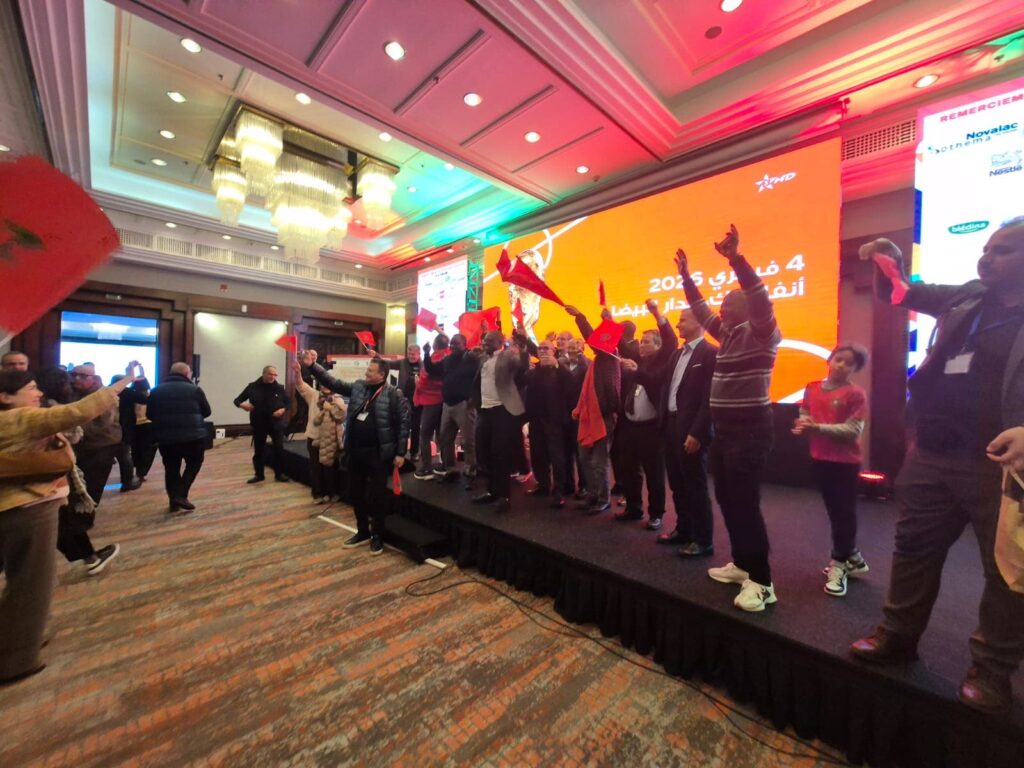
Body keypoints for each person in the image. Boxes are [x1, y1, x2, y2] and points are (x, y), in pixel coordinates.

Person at [850, 219, 1024, 713]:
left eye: (1003, 251)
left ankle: (991, 671)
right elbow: (904, 292)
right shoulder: (968, 297)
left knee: (1007, 573)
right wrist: (889, 258)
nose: (987, 258)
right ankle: (897, 636)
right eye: (985, 248)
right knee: (913, 549)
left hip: (1002, 466)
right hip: (932, 453)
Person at [0, 364, 139, 685]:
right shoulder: (20, 419)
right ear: (6, 397)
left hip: (24, 504)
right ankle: (16, 659)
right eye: (30, 389)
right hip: (29, 506)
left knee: (25, 578)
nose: (37, 393)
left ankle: (18, 639)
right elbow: (79, 413)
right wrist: (126, 381)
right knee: (32, 582)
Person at [677, 224, 782, 612]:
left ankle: (763, 582)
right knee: (726, 497)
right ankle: (742, 564)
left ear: (747, 309)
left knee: (745, 503)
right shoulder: (728, 334)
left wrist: (736, 259)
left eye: (728, 303)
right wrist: (686, 278)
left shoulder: (763, 333)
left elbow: (759, 296)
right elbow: (701, 309)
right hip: (724, 432)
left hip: (751, 432)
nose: (720, 308)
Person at [301, 351, 409, 555]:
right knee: (355, 494)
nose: (366, 373)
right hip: (355, 452)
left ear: (382, 375)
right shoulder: (359, 387)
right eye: (367, 369)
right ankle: (362, 532)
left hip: (378, 455)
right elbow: (333, 382)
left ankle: (377, 535)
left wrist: (400, 453)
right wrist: (313, 366)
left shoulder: (394, 395)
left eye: (371, 371)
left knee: (377, 497)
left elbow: (404, 425)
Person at [792, 344, 870, 597]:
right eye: (838, 359)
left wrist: (816, 428)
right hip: (820, 459)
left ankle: (839, 563)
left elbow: (853, 431)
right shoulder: (812, 387)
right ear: (830, 359)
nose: (841, 365)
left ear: (855, 369)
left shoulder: (856, 394)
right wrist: (804, 422)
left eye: (849, 363)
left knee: (843, 513)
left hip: (845, 463)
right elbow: (805, 410)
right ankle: (852, 556)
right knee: (835, 512)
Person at [651, 309, 717, 557]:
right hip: (670, 425)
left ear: (699, 322)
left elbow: (710, 398)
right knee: (678, 484)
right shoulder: (677, 354)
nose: (678, 325)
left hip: (691, 429)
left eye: (682, 320)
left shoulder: (710, 353)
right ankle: (684, 530)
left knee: (695, 486)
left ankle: (703, 540)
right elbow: (664, 386)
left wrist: (698, 432)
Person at [614, 299, 677, 530]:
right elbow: (621, 345)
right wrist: (609, 322)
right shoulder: (638, 360)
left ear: (658, 346)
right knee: (630, 470)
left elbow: (670, 341)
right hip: (630, 426)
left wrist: (656, 313)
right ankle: (633, 508)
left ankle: (656, 514)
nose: (641, 345)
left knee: (654, 473)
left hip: (652, 428)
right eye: (640, 341)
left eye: (647, 342)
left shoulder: (662, 361)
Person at [564, 306, 622, 515]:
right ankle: (592, 494)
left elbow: (593, 339)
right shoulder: (598, 361)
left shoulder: (610, 356)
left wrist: (580, 317)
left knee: (599, 462)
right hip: (589, 417)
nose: (596, 342)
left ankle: (603, 499)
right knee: (584, 458)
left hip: (603, 417)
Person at [470, 330, 528, 510]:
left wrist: (523, 345)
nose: (484, 343)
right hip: (485, 411)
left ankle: (504, 497)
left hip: (503, 410)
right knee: (484, 451)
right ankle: (491, 491)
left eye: (489, 341)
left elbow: (523, 365)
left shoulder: (508, 355)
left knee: (500, 453)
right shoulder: (482, 358)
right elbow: (477, 382)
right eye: (484, 340)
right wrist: (476, 403)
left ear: (499, 342)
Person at [146, 362, 212, 513]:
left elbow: (149, 414)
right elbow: (207, 412)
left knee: (171, 469)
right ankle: (181, 495)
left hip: (166, 437)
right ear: (187, 374)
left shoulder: (156, 391)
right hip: (193, 436)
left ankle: (174, 502)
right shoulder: (195, 390)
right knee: (194, 464)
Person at [523, 338, 575, 508]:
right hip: (536, 420)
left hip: (556, 421)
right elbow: (524, 383)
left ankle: (559, 490)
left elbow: (571, 386)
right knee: (538, 455)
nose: (543, 351)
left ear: (554, 351)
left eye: (546, 348)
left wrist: (557, 366)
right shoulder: (534, 371)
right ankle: (543, 485)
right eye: (540, 348)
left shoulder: (561, 370)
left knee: (557, 456)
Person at [424, 333, 481, 485]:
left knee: (469, 440)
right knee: (445, 438)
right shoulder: (448, 359)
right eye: (452, 344)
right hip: (447, 404)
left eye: (456, 343)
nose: (453, 346)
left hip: (464, 404)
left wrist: (473, 397)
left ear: (465, 344)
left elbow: (481, 377)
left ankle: (471, 468)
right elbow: (432, 370)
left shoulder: (471, 358)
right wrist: (426, 354)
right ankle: (450, 467)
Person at [292, 359, 345, 503]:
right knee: (315, 467)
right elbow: (301, 385)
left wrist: (330, 408)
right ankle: (318, 494)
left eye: (328, 383)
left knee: (330, 468)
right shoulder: (314, 395)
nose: (325, 386)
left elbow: (341, 417)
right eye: (323, 383)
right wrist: (297, 372)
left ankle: (331, 493)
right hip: (315, 437)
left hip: (331, 439)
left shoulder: (339, 399)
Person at [233, 365, 291, 483]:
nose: (273, 377)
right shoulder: (252, 387)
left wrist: (283, 410)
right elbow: (237, 400)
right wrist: (243, 405)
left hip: (276, 423)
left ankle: (279, 474)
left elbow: (288, 403)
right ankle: (259, 475)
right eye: (270, 374)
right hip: (259, 423)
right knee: (259, 450)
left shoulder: (279, 388)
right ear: (263, 373)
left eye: (275, 375)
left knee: (279, 449)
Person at [412, 336, 447, 480]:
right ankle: (445, 465)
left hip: (431, 401)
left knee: (425, 435)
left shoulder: (435, 358)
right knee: (441, 434)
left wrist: (418, 383)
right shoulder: (449, 357)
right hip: (444, 401)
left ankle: (426, 467)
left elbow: (427, 378)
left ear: (434, 345)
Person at [562, 339, 590, 499]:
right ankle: (568, 484)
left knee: (581, 453)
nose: (572, 350)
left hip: (580, 414)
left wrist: (581, 357)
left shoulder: (587, 364)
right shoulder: (563, 363)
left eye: (575, 348)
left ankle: (584, 486)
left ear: (582, 349)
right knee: (566, 451)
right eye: (570, 347)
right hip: (564, 413)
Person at [111, 371, 147, 493]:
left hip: (107, 428)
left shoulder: (106, 392)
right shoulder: (127, 392)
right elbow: (144, 399)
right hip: (124, 427)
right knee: (125, 455)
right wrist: (139, 382)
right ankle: (127, 482)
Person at [388, 344, 422, 464]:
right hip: (403, 399)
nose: (411, 356)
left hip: (418, 400)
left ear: (419, 354)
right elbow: (387, 363)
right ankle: (399, 452)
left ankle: (414, 452)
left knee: (416, 427)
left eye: (413, 354)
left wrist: (421, 384)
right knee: (401, 426)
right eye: (409, 354)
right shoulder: (402, 362)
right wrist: (375, 356)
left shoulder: (424, 365)